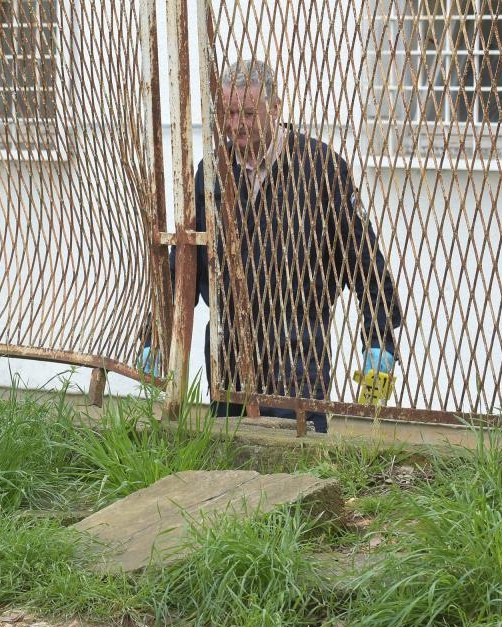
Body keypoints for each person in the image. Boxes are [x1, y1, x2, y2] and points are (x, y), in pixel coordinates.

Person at [142, 59, 403, 433]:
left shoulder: (321, 168)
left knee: (298, 460)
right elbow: (182, 262)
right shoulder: (212, 172)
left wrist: (379, 341)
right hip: (229, 358)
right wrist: (155, 333)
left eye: (248, 113)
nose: (237, 124)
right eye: (230, 113)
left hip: (298, 357)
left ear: (275, 108)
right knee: (227, 460)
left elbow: (367, 266)